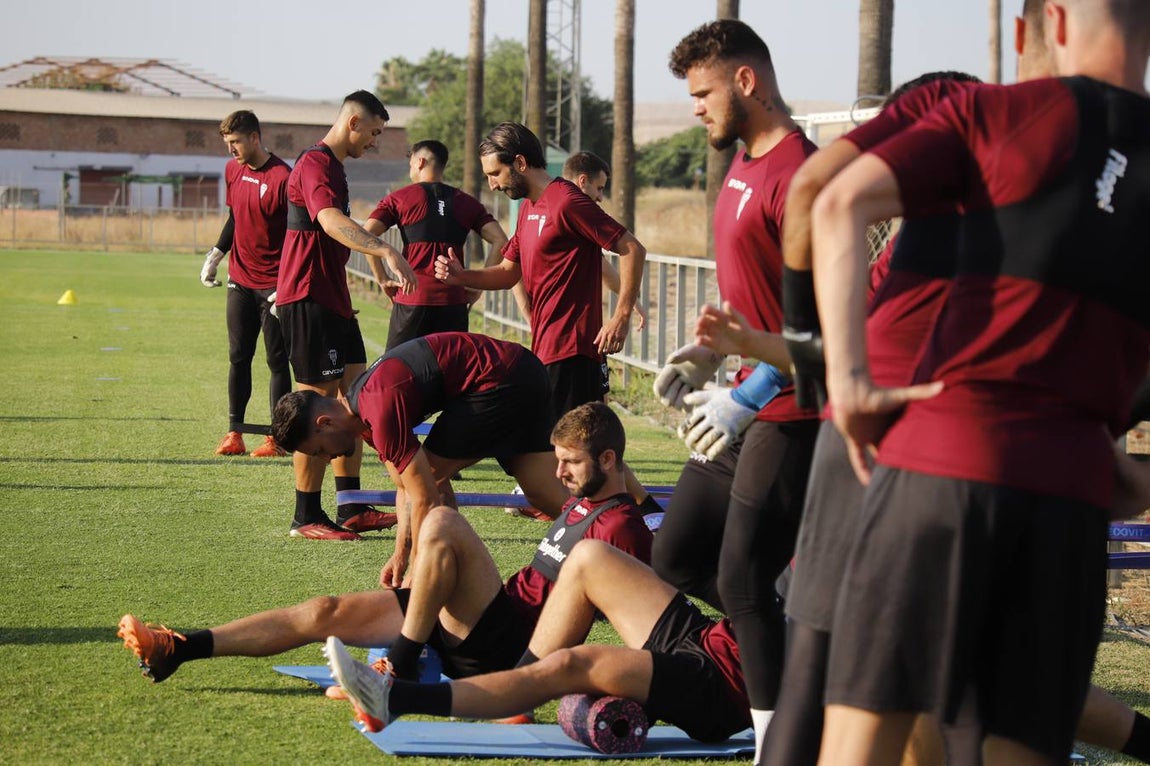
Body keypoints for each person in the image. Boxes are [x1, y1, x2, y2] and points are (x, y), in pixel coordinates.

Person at [811, 1, 1150, 763]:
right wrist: (1123, 470)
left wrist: (853, 385)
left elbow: (834, 200)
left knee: (861, 745)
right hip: (1070, 499)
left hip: (941, 465)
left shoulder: (994, 111)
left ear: (1049, 21)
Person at [117, 402, 652, 694]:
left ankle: (398, 661)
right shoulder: (582, 505)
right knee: (324, 611)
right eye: (557, 460)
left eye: (571, 464)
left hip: (510, 648)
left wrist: (548, 682)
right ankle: (179, 647)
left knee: (440, 518)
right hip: (484, 620)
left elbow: (633, 619)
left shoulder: (624, 528)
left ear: (609, 462)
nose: (557, 474)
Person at [651, 19, 820, 760]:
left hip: (795, 410)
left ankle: (778, 743)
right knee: (677, 555)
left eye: (703, 92)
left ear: (746, 81)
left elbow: (825, 331)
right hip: (745, 396)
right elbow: (750, 312)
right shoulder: (740, 171)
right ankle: (808, 655)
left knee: (743, 577)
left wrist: (747, 397)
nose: (695, 107)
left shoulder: (805, 177)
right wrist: (700, 360)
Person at [325, 537, 750, 746]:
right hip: (716, 638)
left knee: (572, 665)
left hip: (726, 686)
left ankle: (395, 700)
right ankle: (516, 691)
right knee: (589, 556)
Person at [271, 331, 572, 586]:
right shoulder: (360, 411)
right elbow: (407, 487)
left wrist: (414, 574)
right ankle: (612, 536)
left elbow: (425, 495)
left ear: (325, 423)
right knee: (547, 495)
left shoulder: (377, 408)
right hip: (523, 370)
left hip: (501, 380)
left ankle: (447, 575)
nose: (326, 459)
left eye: (319, 451)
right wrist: (400, 554)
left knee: (428, 478)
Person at [273, 90, 418, 541]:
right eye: (374, 133)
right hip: (309, 298)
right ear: (353, 122)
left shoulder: (334, 167)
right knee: (317, 405)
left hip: (333, 299)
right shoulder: (315, 163)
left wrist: (369, 271)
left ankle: (351, 506)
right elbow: (330, 219)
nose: (374, 143)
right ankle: (306, 516)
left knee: (356, 400)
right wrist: (385, 249)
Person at [433, 122, 646, 422]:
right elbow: (508, 272)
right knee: (576, 453)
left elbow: (632, 248)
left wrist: (621, 316)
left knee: (563, 452)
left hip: (572, 351)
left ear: (520, 162)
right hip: (546, 349)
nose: (492, 184)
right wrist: (461, 276)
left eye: (495, 173)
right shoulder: (529, 208)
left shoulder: (566, 201)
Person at [199, 110, 292, 458]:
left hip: (274, 286)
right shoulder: (232, 170)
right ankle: (234, 433)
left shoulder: (284, 177)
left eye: (236, 142)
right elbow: (236, 216)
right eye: (227, 144)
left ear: (255, 137)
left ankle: (277, 438)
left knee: (277, 361)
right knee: (238, 357)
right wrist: (217, 252)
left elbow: (298, 235)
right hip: (240, 279)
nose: (231, 150)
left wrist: (287, 281)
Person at [361, 139, 509, 350]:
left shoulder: (399, 199)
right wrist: (478, 284)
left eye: (410, 163)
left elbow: (366, 235)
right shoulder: (466, 202)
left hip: (412, 300)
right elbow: (500, 239)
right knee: (451, 375)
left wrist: (382, 278)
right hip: (453, 303)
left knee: (398, 374)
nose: (411, 168)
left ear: (419, 162)